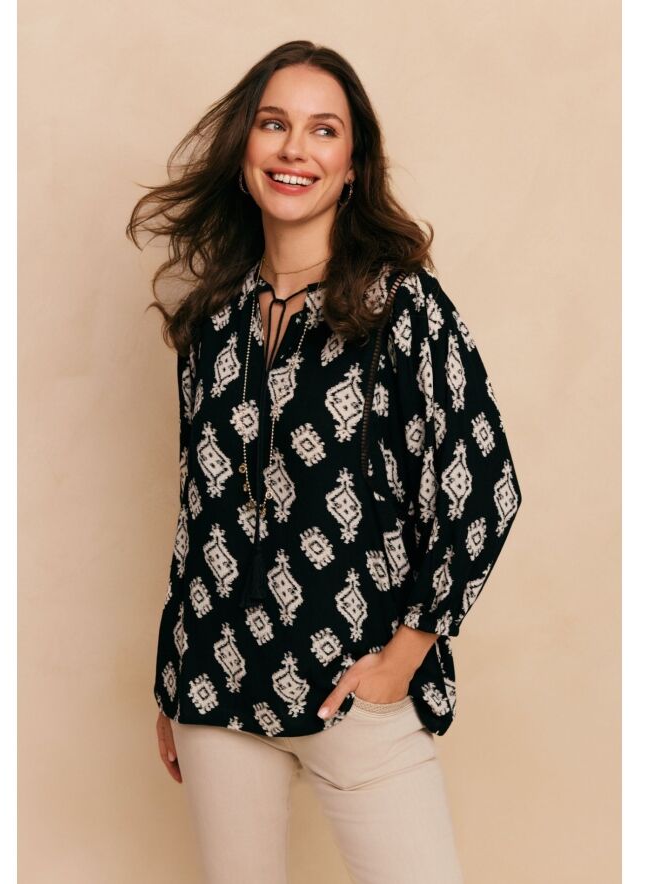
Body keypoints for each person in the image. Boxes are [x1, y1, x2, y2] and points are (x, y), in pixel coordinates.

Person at [127, 39, 522, 884]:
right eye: (273, 124)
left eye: (323, 130)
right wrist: (174, 677)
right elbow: (200, 513)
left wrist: (404, 656)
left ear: (351, 166)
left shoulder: (401, 305)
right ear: (244, 151)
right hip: (216, 683)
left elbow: (483, 486)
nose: (294, 148)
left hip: (353, 682)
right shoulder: (213, 322)